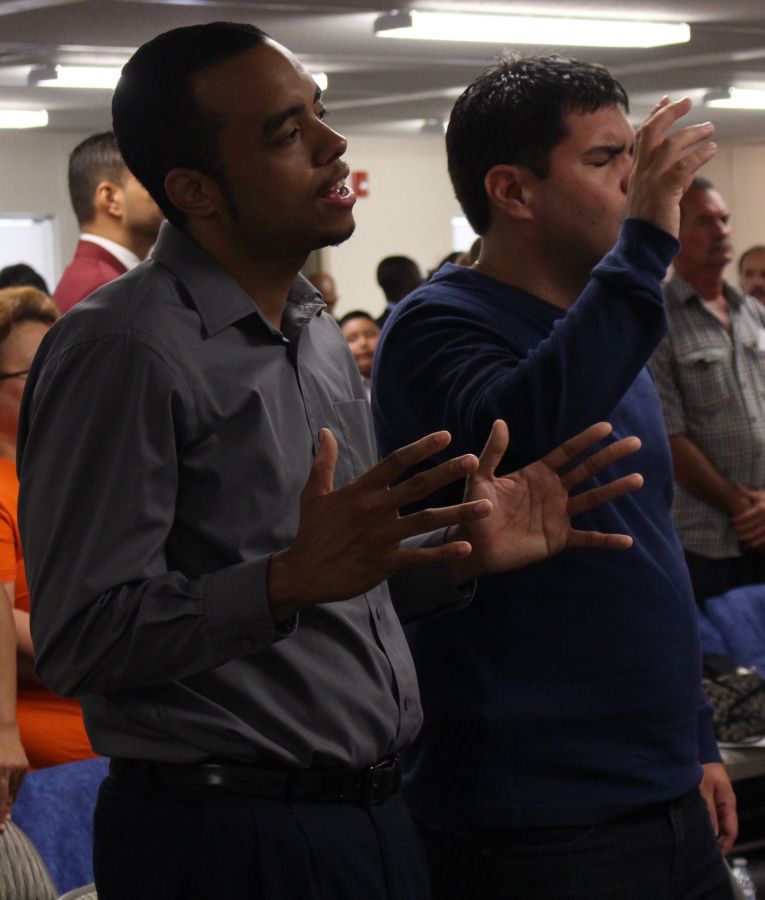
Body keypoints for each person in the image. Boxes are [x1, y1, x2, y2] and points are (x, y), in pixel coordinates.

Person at [17, 25, 643, 900]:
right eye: (286, 132)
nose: (332, 143)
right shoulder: (123, 346)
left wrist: (451, 555)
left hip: (369, 813)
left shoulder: (311, 327)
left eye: (319, 112)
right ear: (194, 189)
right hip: (225, 833)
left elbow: (338, 578)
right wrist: (281, 581)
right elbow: (81, 639)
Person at [373, 55, 736, 899]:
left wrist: (695, 738)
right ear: (512, 191)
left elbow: (652, 549)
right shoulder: (435, 325)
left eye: (632, 157)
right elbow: (524, 426)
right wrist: (645, 242)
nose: (635, 183)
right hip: (534, 809)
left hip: (659, 782)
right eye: (605, 160)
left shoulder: (603, 323)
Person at [650, 180, 765, 604]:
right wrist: (741, 507)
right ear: (673, 233)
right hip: (703, 540)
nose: (721, 231)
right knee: (715, 644)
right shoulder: (657, 321)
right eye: (704, 221)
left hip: (763, 526)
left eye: (724, 219)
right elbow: (669, 435)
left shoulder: (753, 314)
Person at [0, 286, 96, 769]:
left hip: (113, 725)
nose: (54, 381)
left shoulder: (67, 473)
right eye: (33, 371)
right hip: (50, 754)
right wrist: (114, 647)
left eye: (59, 365)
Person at [53, 131, 163, 313]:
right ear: (110, 199)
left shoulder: (94, 278)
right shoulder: (103, 288)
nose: (165, 193)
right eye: (147, 182)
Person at [339, 309, 380, 398]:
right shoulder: (338, 390)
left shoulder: (399, 378)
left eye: (370, 334)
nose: (363, 343)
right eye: (352, 338)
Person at [376, 255, 423, 327]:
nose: (422, 282)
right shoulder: (429, 317)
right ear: (404, 283)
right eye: (418, 277)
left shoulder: (377, 328)